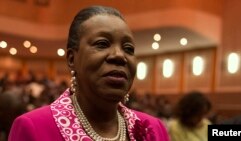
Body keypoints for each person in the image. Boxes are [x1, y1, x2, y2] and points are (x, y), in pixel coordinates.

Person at [8, 5, 170, 141]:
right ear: (72, 59)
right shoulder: (34, 128)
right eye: (102, 44)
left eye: (128, 49)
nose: (119, 56)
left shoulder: (153, 129)